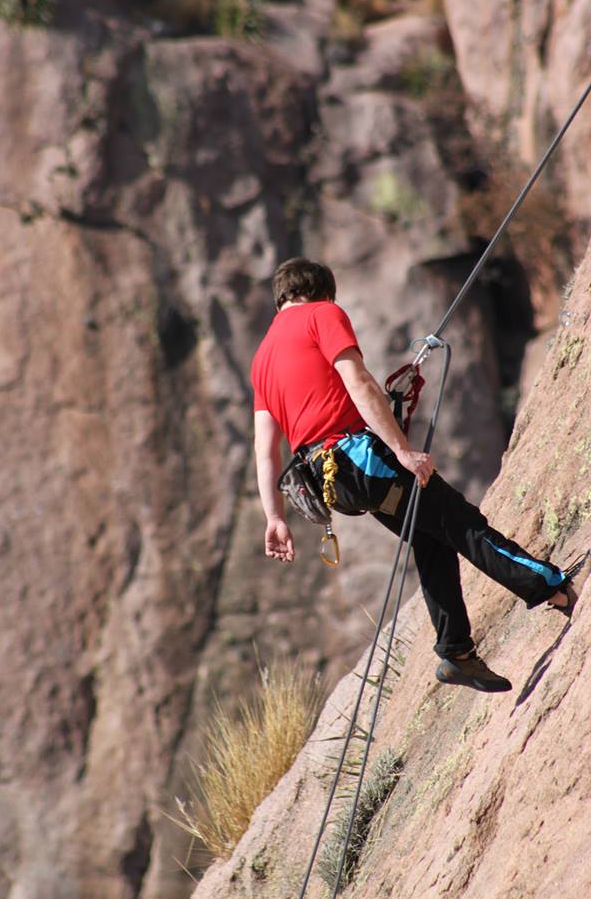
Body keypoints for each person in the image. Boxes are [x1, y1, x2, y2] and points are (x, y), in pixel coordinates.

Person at [251, 257, 589, 693]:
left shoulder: (261, 359)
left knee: (432, 539)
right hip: (359, 459)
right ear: (322, 292)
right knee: (463, 524)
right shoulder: (323, 314)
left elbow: (265, 450)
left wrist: (274, 517)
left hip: (336, 484)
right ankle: (551, 588)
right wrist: (402, 451)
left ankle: (456, 652)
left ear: (281, 297)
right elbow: (358, 382)